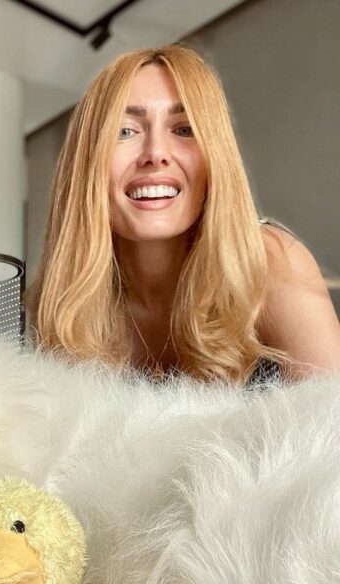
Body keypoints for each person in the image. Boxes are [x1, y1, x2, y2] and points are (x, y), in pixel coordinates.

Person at [26, 45, 340, 383]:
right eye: (124, 131)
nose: (155, 154)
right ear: (87, 164)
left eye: (184, 129)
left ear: (215, 157)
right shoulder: (57, 304)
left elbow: (329, 412)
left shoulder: (272, 261)